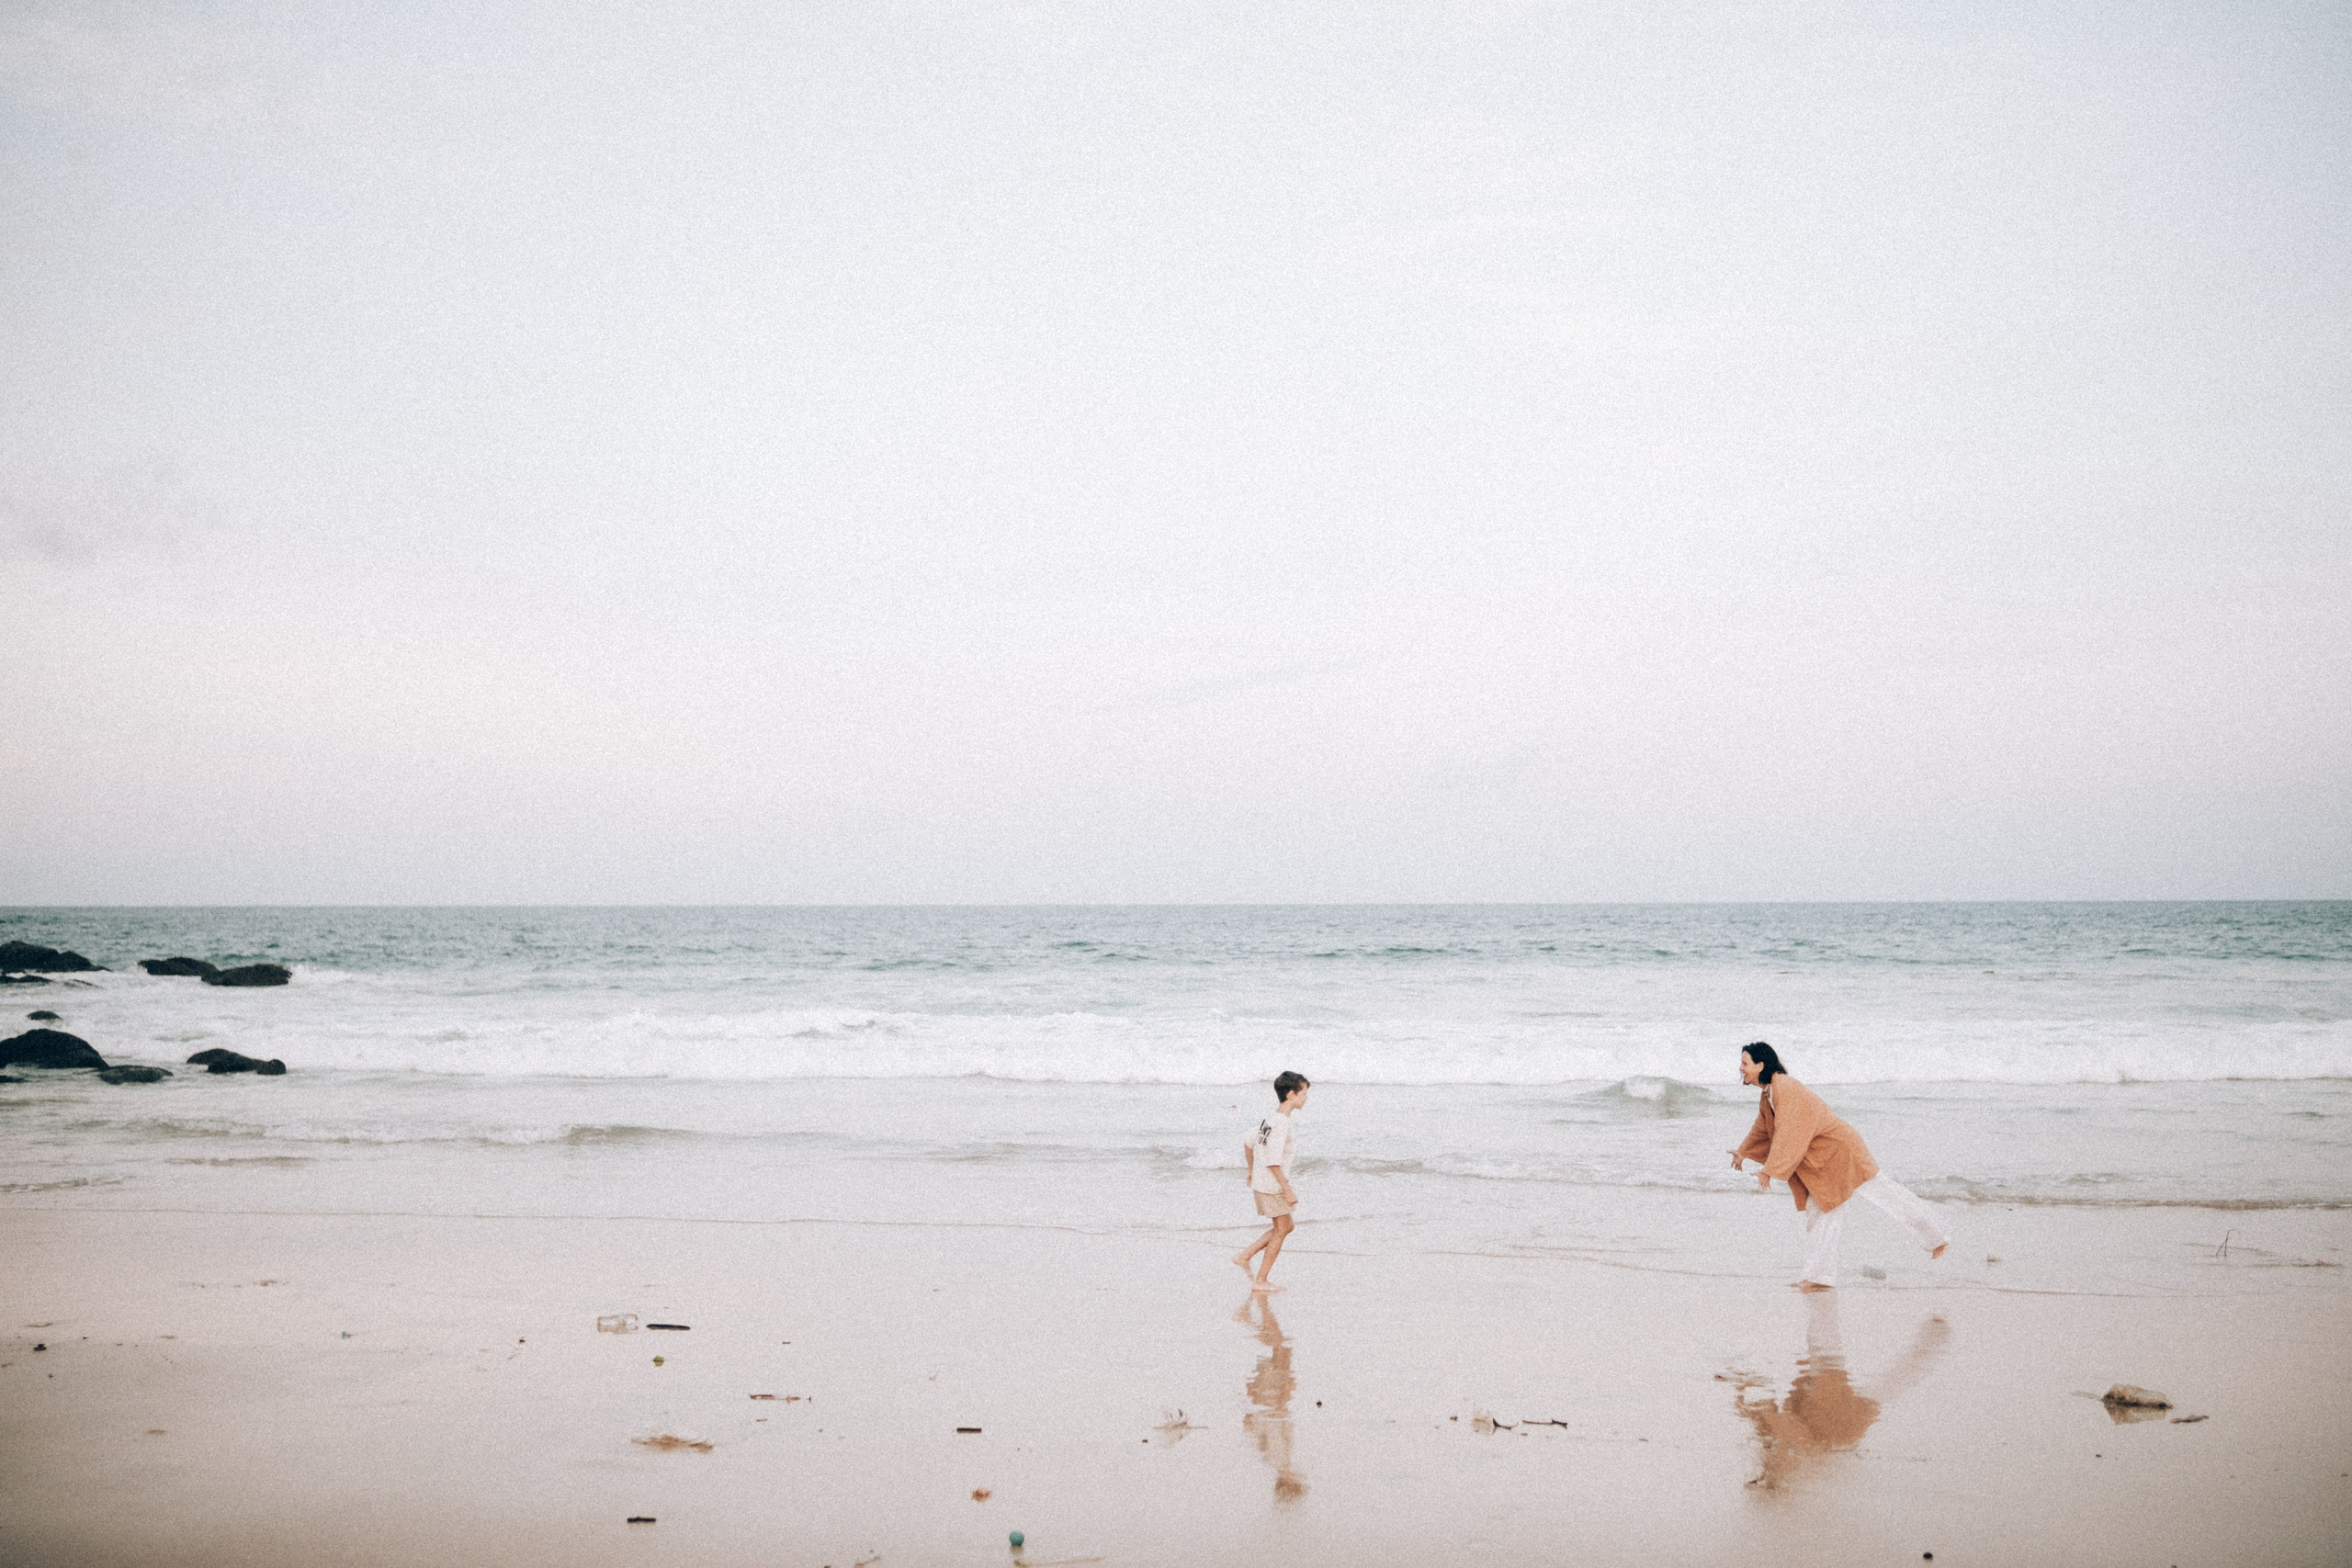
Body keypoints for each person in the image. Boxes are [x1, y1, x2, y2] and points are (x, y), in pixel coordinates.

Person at [1728, 1043, 1949, 1291]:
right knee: (1821, 1213)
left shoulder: (1785, 1087)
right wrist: (1744, 1151)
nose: (1741, 1068)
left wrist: (1769, 1171)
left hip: (1841, 1151)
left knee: (1886, 1194)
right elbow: (1763, 1129)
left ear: (1760, 1065)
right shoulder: (1769, 1093)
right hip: (1823, 1160)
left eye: (1745, 1063)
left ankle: (1938, 1237)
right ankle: (1820, 1277)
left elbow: (1788, 1133)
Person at [1232, 1070, 1309, 1292]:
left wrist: (1250, 1172)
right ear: (1292, 1095)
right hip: (1272, 1185)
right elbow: (1273, 1162)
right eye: (1303, 1093)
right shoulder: (1282, 1123)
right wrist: (1288, 1190)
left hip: (1262, 1182)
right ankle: (1260, 1280)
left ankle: (1244, 1256)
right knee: (1283, 1228)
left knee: (1285, 1227)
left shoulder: (1271, 1117)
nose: (1306, 1097)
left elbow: (1248, 1142)